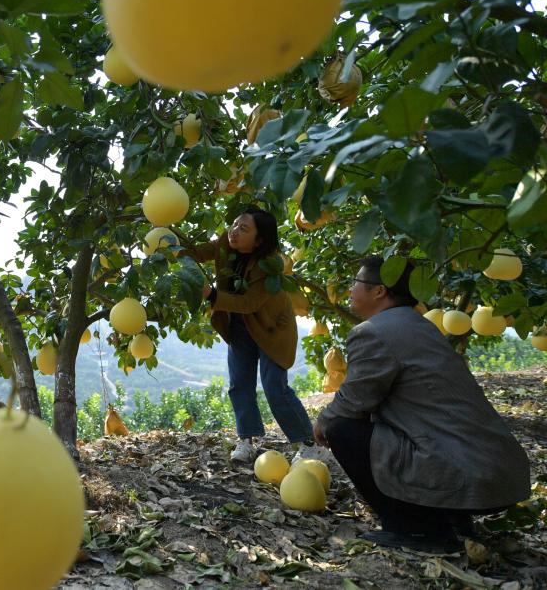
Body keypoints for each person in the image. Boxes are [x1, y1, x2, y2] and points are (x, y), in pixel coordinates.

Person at [314, 256, 531, 554]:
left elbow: (353, 400)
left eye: (356, 282)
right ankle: (450, 519)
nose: (350, 289)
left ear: (379, 291)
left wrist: (322, 422)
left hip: (464, 472)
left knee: (340, 429)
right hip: (498, 474)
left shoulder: (373, 332)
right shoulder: (422, 326)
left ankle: (418, 529)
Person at [187, 206, 320, 463]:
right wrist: (169, 245)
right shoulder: (227, 244)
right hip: (239, 326)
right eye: (235, 224)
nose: (234, 231)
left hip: (271, 328)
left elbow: (249, 303)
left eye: (243, 229)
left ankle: (308, 443)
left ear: (259, 240)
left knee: (275, 387)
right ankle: (246, 439)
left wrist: (212, 295)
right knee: (240, 385)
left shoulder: (267, 266)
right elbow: (198, 251)